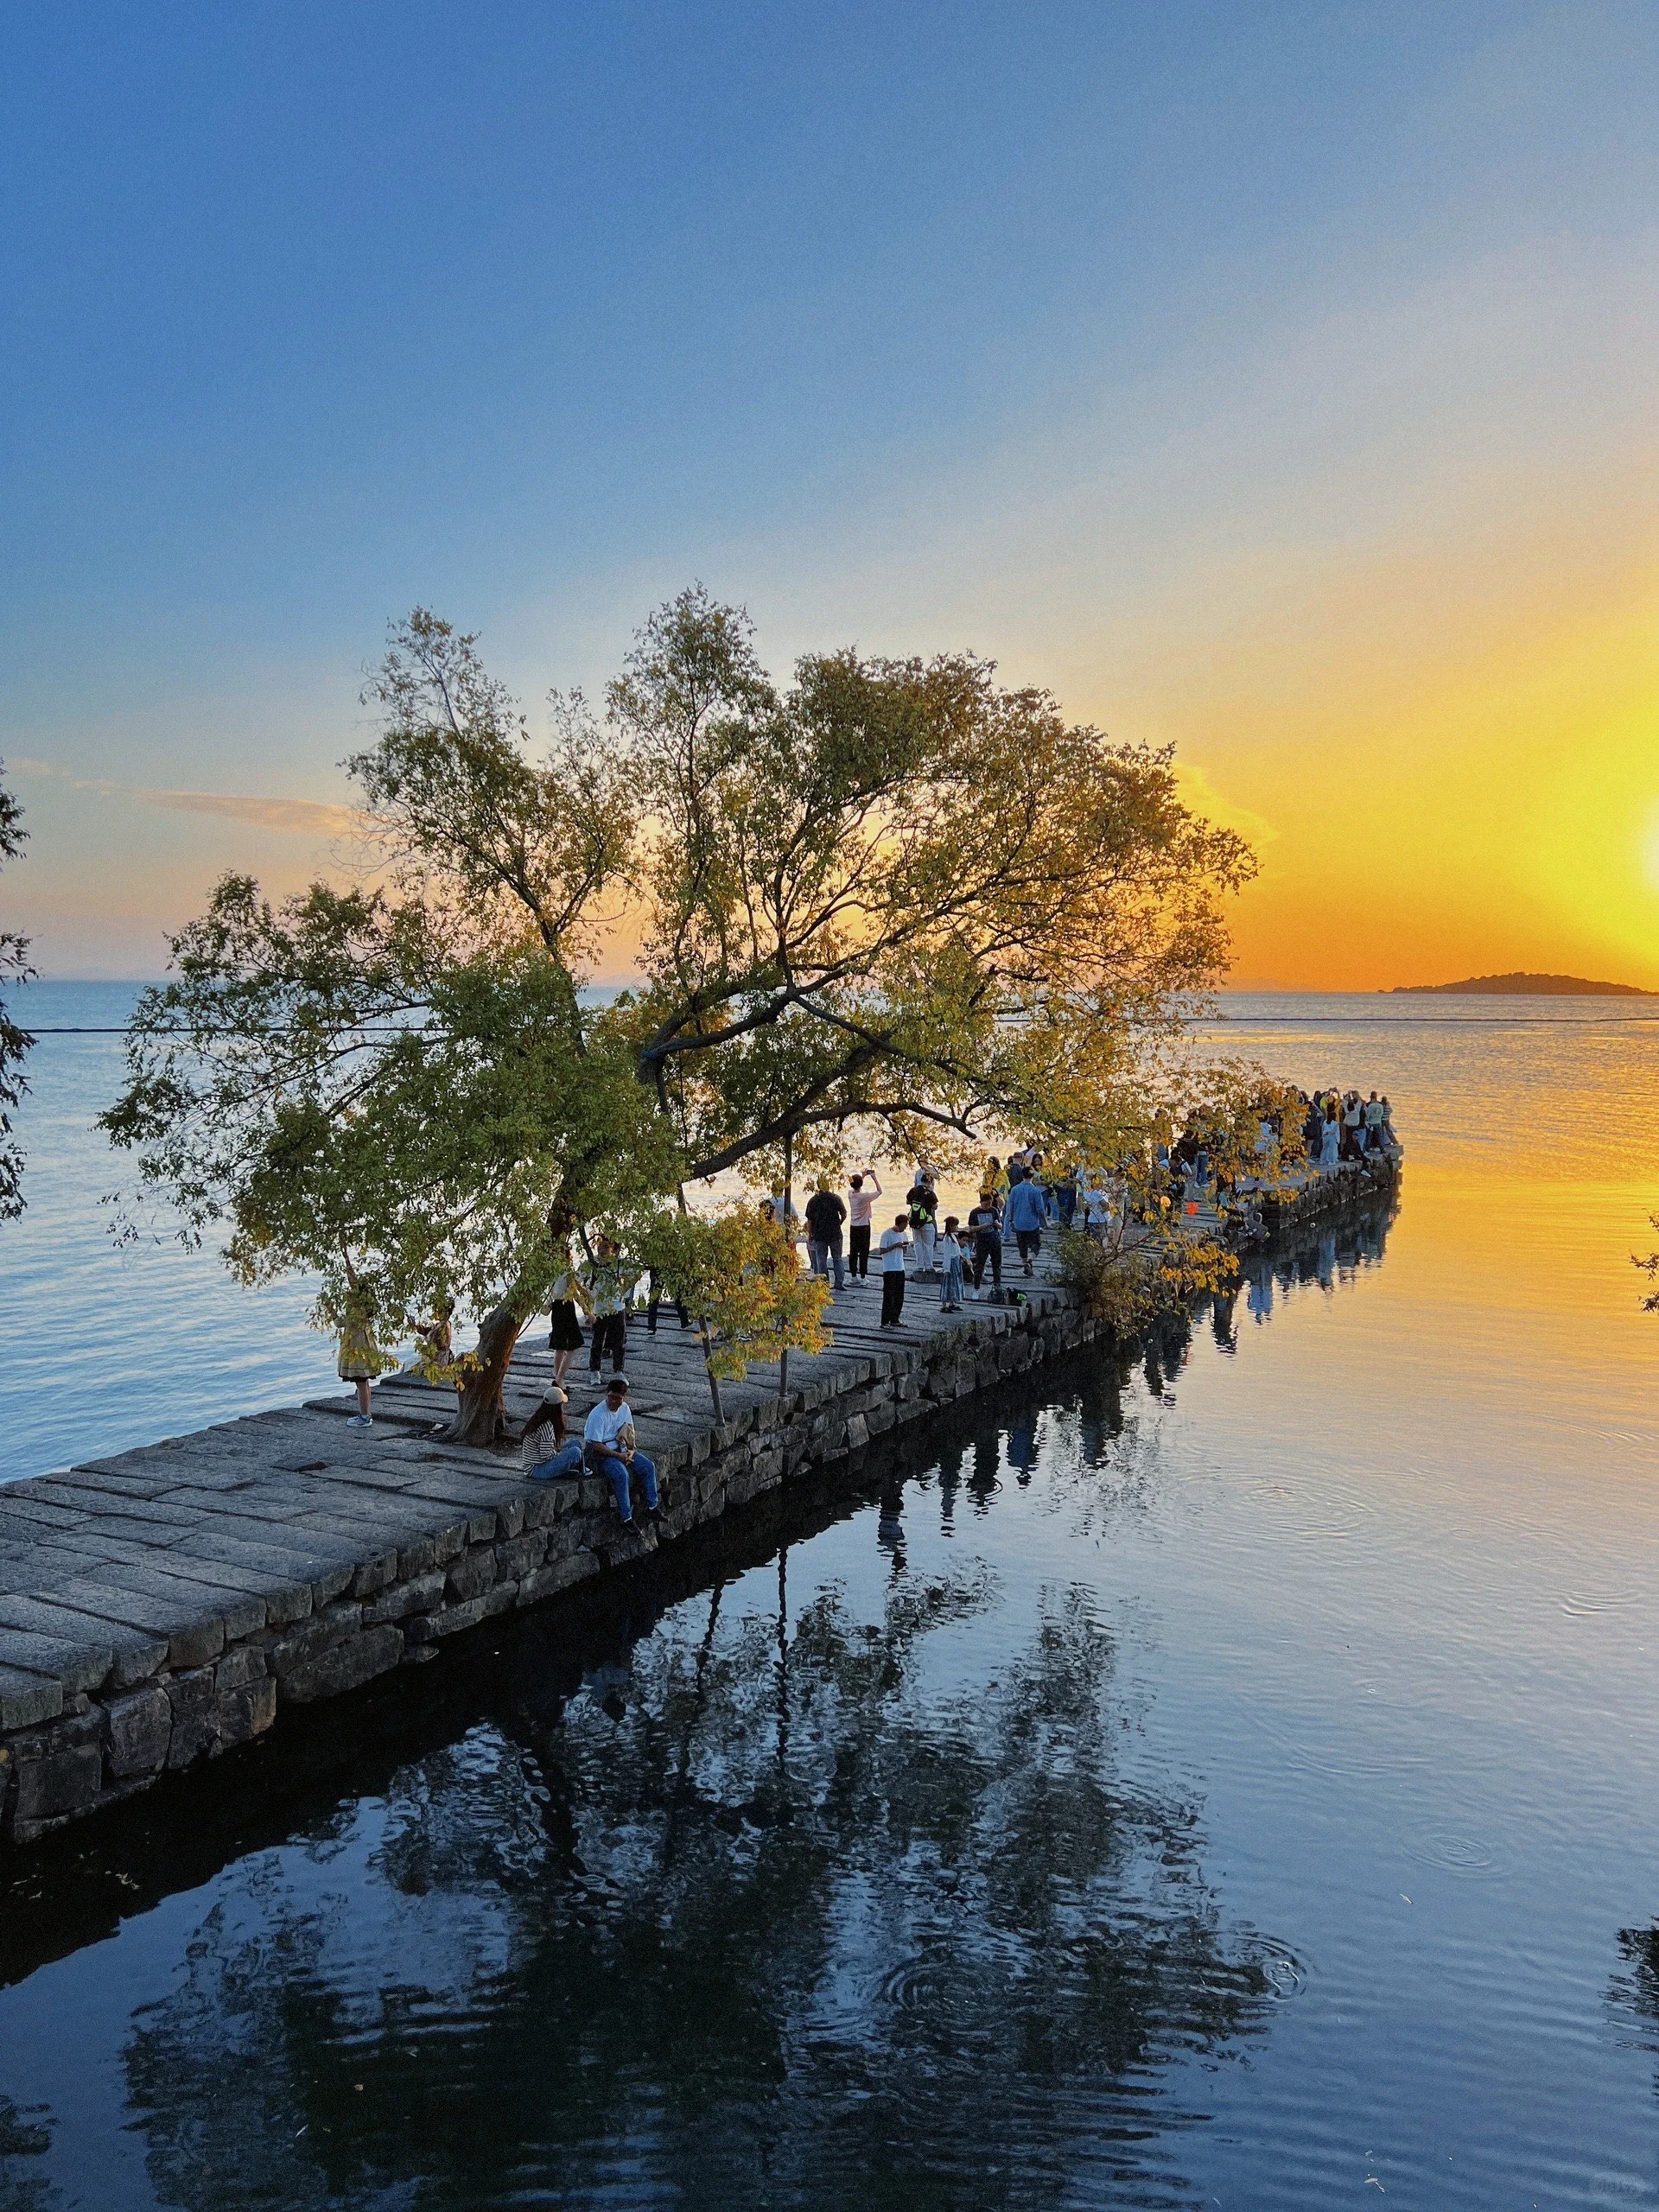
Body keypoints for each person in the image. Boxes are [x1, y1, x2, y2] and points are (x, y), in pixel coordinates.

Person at [583, 1373, 658, 1523]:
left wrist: (631, 1450)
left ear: (624, 1398)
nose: (614, 1401)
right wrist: (618, 1456)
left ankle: (652, 1506)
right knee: (621, 1475)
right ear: (607, 1395)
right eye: (611, 1397)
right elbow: (595, 1444)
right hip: (602, 1454)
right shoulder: (598, 1414)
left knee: (648, 1466)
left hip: (621, 1448)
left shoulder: (624, 1409)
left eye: (618, 1398)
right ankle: (626, 1517)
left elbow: (629, 1431)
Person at [582, 1235, 632, 1378]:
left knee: (619, 1342)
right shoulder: (592, 1263)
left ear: (613, 1249)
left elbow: (635, 1274)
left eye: (605, 1246)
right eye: (599, 1246)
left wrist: (624, 1291)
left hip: (617, 1307)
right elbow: (576, 1278)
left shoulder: (619, 1264)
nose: (601, 1249)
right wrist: (587, 1299)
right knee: (597, 1341)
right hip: (599, 1308)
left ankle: (619, 1371)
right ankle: (595, 1371)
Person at [337, 1290, 386, 1430]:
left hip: (358, 1350)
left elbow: (339, 1322)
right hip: (364, 1348)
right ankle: (366, 1414)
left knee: (361, 1382)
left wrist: (331, 1309)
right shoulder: (364, 1311)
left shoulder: (357, 1313)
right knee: (364, 1382)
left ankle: (364, 1416)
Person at [519, 1388, 582, 1483]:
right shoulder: (547, 1425)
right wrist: (559, 1454)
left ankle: (570, 1469)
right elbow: (545, 1454)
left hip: (537, 1465)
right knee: (575, 1452)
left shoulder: (539, 1417)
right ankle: (581, 1469)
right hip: (537, 1469)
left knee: (575, 1443)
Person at [545, 1250, 586, 1382]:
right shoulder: (567, 1272)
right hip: (566, 1307)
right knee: (573, 1346)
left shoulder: (551, 1271)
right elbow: (575, 1293)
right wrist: (587, 1312)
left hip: (556, 1308)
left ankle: (557, 1377)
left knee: (560, 1346)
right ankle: (559, 1377)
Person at [804, 1179, 848, 1292]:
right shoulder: (835, 1198)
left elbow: (810, 1220)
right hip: (835, 1233)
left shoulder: (813, 1200)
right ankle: (839, 1282)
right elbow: (844, 1214)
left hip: (819, 1234)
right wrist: (839, 1223)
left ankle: (824, 1283)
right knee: (837, 1258)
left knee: (821, 1260)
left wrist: (809, 1234)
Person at [1002, 1171, 1048, 1276]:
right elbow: (1040, 1210)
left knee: (1022, 1246)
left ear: (1022, 1176)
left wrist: (1011, 1219)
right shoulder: (1035, 1191)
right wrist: (1045, 1222)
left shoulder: (1014, 1190)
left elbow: (1011, 1206)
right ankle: (1029, 1260)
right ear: (1033, 1176)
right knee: (1036, 1245)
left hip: (1019, 1223)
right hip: (1032, 1224)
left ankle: (1025, 1264)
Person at [846, 1167, 881, 1279]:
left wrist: (863, 1176)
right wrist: (874, 1178)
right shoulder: (864, 1197)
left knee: (853, 1251)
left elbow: (855, 1185)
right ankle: (863, 1277)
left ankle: (853, 1276)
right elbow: (879, 1191)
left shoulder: (850, 1194)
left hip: (853, 1226)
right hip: (864, 1226)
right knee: (864, 1251)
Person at [879, 1211, 911, 1327]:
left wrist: (905, 1246)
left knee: (899, 1295)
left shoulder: (903, 1234)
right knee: (889, 1295)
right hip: (889, 1268)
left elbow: (905, 1250)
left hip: (900, 1267)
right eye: (905, 1225)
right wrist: (894, 1246)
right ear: (899, 1224)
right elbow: (881, 1251)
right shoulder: (887, 1234)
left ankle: (895, 1319)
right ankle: (885, 1321)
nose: (905, 1228)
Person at [967, 1189, 1002, 1293]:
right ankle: (976, 1288)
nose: (988, 1207)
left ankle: (997, 1286)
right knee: (980, 1265)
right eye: (986, 1204)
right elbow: (971, 1229)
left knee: (997, 1265)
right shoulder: (975, 1212)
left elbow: (1000, 1226)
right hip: (982, 1241)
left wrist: (997, 1224)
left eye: (990, 1204)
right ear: (981, 1202)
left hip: (995, 1240)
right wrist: (981, 1227)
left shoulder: (994, 1210)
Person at [906, 1170, 939, 1277]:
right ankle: (929, 1266)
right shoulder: (930, 1193)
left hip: (914, 1221)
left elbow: (908, 1202)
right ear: (930, 1182)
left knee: (917, 1243)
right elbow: (935, 1206)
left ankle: (919, 1265)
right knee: (928, 1244)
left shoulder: (913, 1190)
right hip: (927, 1221)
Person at [938, 1216, 965, 1311]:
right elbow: (947, 1254)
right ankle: (944, 1305)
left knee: (954, 1284)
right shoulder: (947, 1238)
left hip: (956, 1262)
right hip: (950, 1264)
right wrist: (946, 1268)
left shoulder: (953, 1236)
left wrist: (960, 1256)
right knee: (948, 1284)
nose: (956, 1227)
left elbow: (955, 1250)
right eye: (955, 1225)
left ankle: (952, 1303)